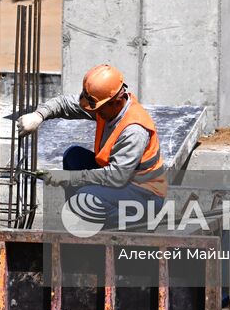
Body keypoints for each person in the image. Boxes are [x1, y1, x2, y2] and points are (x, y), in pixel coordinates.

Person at [16, 64, 167, 231]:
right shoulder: (104, 106)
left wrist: (68, 177)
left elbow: (116, 177)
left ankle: (129, 225)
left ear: (116, 101)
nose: (96, 113)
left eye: (99, 110)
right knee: (74, 156)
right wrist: (38, 116)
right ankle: (83, 218)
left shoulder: (134, 130)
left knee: (84, 199)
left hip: (144, 194)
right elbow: (65, 103)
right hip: (122, 178)